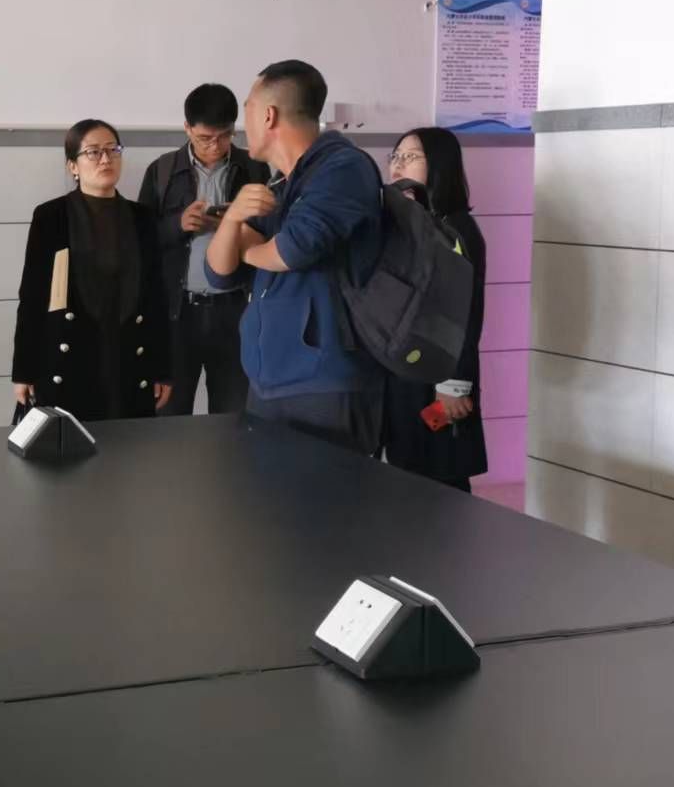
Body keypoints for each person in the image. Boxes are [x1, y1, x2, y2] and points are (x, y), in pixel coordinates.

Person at [204, 60, 383, 454]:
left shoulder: (342, 167)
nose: (243, 123)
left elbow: (290, 251)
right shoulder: (283, 182)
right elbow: (218, 272)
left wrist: (246, 247)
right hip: (269, 380)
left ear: (268, 115)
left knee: (327, 494)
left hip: (323, 382)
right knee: (268, 493)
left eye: (247, 108)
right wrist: (232, 219)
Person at [12, 120, 172, 421]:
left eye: (113, 150)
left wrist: (162, 369)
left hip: (127, 352)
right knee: (72, 445)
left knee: (129, 444)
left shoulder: (142, 217)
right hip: (70, 353)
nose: (105, 159)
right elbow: (32, 297)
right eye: (93, 152)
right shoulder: (51, 216)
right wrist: (23, 371)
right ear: (73, 166)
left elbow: (156, 297)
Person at [138, 83, 268, 415]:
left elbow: (269, 232)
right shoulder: (163, 171)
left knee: (233, 417)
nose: (214, 146)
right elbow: (139, 240)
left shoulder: (253, 168)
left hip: (234, 310)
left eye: (224, 137)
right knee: (169, 417)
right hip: (178, 313)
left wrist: (234, 224)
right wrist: (177, 225)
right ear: (187, 128)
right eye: (204, 138)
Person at [380, 128, 488, 491]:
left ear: (440, 164)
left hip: (441, 380)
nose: (398, 165)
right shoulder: (414, 222)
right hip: (410, 371)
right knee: (411, 467)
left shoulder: (456, 229)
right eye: (395, 156)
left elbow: (464, 312)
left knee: (441, 471)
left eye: (410, 156)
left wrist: (454, 385)